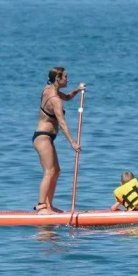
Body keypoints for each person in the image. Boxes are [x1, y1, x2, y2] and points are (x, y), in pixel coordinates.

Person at [33, 67, 86, 214]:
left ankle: (49, 205)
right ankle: (41, 206)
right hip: (43, 137)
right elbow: (62, 123)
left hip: (47, 138)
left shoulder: (49, 90)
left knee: (56, 171)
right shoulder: (55, 100)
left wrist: (77, 90)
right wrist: (73, 143)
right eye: (65, 77)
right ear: (58, 78)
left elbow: (67, 97)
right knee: (49, 171)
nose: (67, 79)